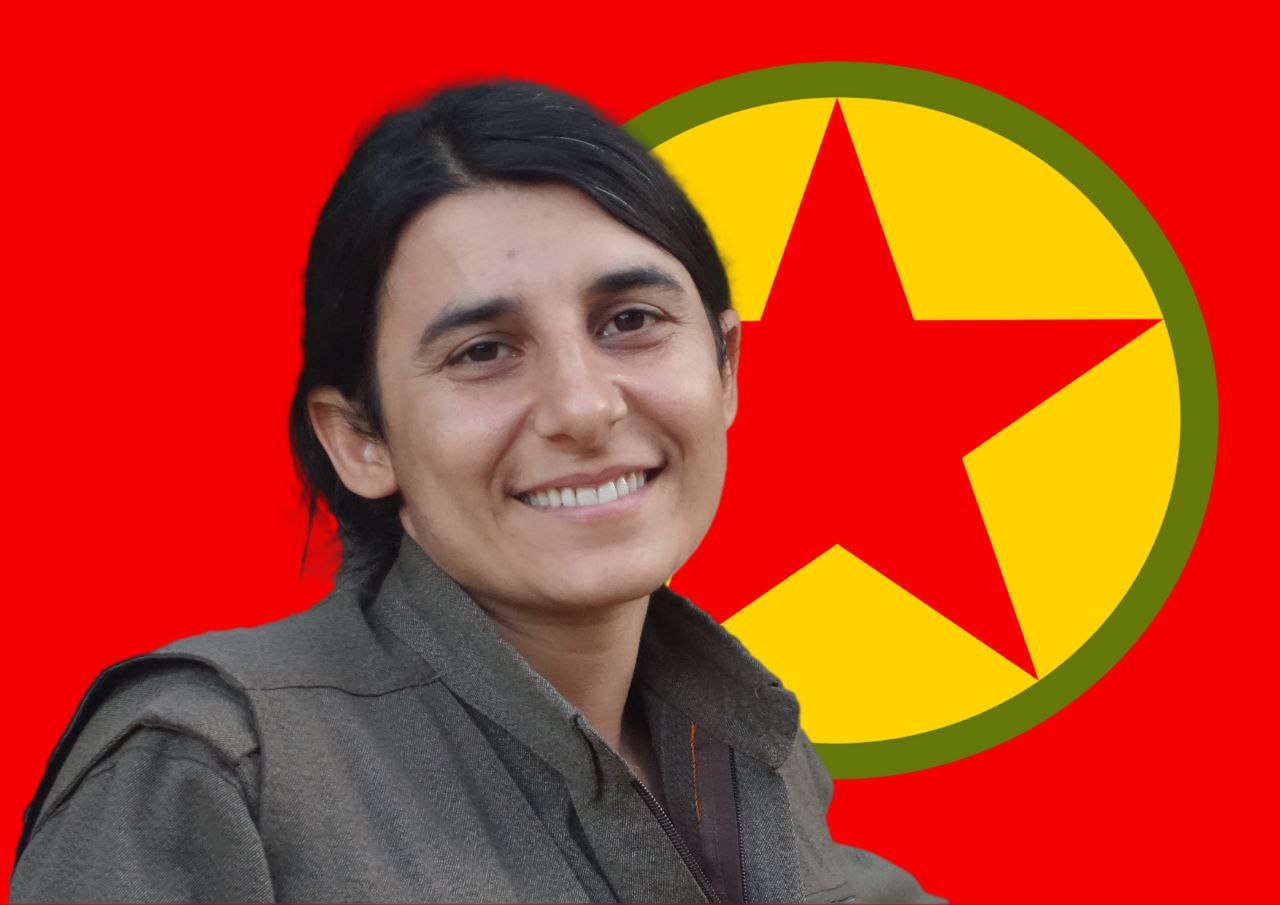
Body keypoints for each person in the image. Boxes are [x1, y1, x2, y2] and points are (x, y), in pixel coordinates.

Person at [11, 80, 939, 903]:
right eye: (483, 351)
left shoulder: (752, 751)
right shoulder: (216, 769)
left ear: (726, 366)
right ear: (361, 439)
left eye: (630, 320)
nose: (583, 407)